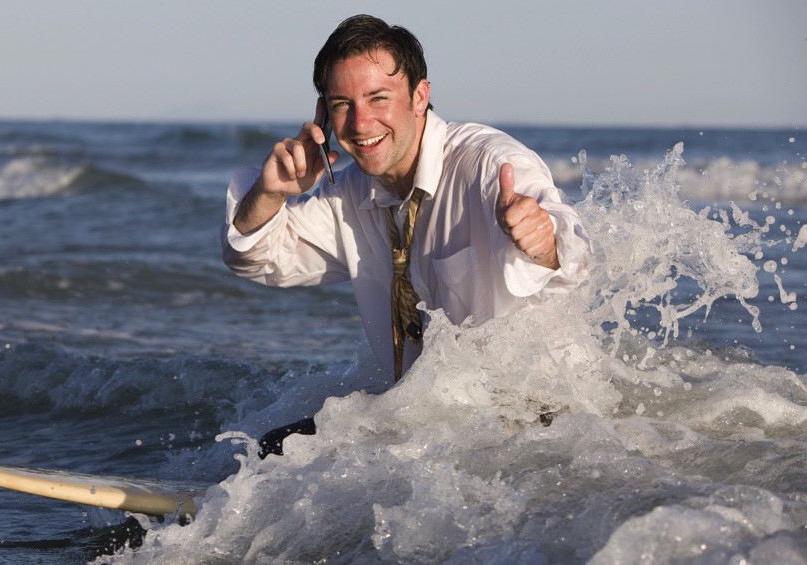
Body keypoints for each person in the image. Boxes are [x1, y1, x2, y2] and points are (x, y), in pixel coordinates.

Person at [221, 15, 591, 456]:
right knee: (277, 450)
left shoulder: (488, 164)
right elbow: (256, 257)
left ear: (419, 97)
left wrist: (545, 243)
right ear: (322, 114)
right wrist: (269, 192)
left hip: (545, 423)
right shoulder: (351, 194)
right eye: (342, 104)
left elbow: (575, 254)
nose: (360, 122)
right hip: (435, 421)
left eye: (378, 98)